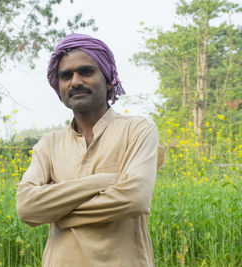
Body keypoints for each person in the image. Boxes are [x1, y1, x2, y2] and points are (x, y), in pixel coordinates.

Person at [16, 33, 164, 267]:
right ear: (59, 87)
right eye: (66, 76)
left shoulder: (137, 130)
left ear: (108, 80)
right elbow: (27, 208)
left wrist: (59, 214)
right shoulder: (48, 144)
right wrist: (105, 181)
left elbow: (134, 199)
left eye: (85, 71)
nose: (75, 81)